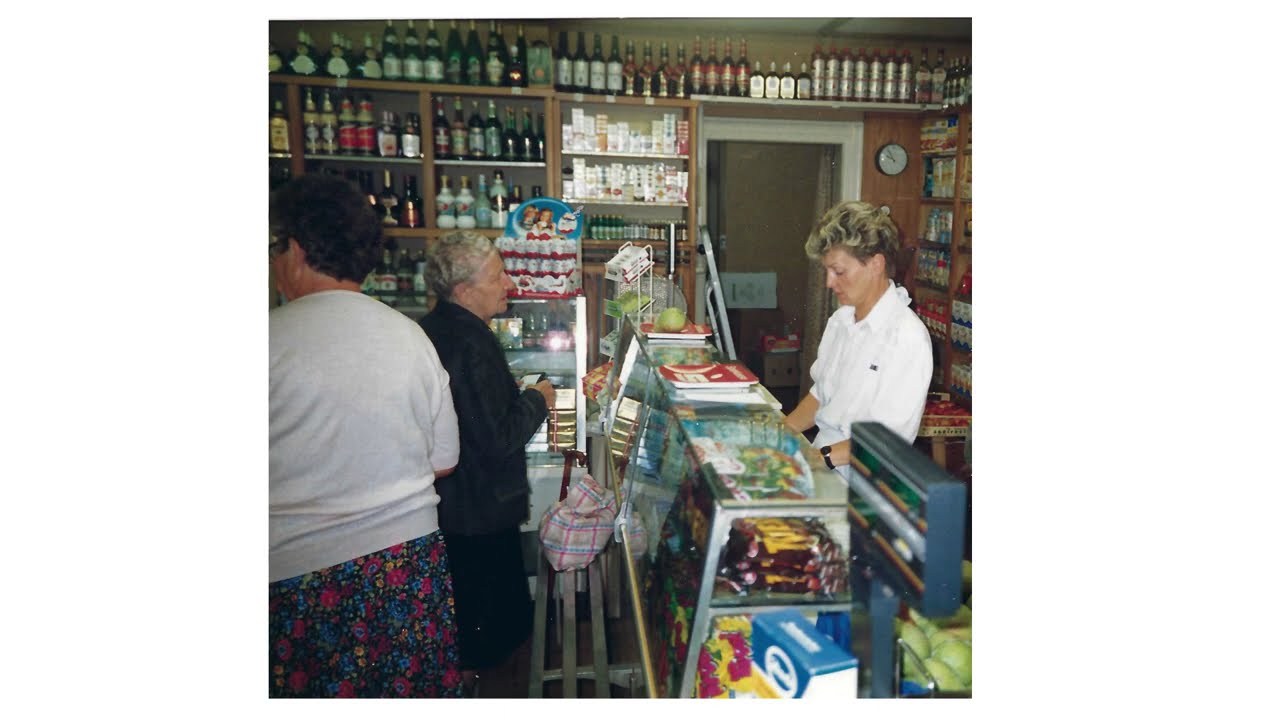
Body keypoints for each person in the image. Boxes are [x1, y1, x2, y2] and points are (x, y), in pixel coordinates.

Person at [268, 174, 463, 698]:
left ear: (299, 250)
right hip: (406, 564)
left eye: (275, 246)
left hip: (295, 578)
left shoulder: (270, 339)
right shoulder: (410, 336)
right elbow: (445, 460)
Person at [419, 231, 557, 695]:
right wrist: (538, 399)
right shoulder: (472, 342)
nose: (509, 285)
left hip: (453, 505)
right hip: (479, 510)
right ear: (464, 289)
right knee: (491, 641)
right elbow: (499, 437)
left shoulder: (432, 329)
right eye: (498, 277)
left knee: (469, 623)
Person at [784, 201, 932, 478]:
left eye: (838, 272)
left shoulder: (907, 338)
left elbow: (889, 443)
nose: (829, 282)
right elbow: (821, 394)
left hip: (865, 478)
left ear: (876, 264)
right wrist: (779, 434)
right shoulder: (841, 321)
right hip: (824, 461)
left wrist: (819, 459)